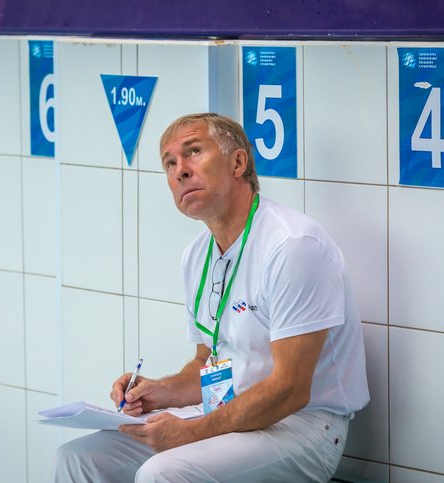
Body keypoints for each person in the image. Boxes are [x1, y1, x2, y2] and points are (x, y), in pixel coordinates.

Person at [55, 113, 369, 482]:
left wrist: (191, 431)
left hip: (302, 426)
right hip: (226, 409)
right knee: (79, 458)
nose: (180, 171)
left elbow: (291, 389)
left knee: (163, 473)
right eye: (169, 163)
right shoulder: (197, 255)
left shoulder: (293, 245)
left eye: (193, 152)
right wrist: (158, 392)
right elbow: (206, 364)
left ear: (238, 163)